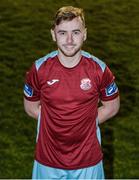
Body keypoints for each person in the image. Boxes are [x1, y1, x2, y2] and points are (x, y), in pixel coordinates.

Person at [23, 6, 120, 179]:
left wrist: (83, 121)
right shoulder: (39, 69)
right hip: (48, 160)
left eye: (75, 32)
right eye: (62, 33)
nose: (69, 40)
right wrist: (58, 120)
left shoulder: (99, 70)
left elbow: (111, 107)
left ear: (85, 34)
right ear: (53, 34)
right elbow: (31, 108)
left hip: (88, 160)